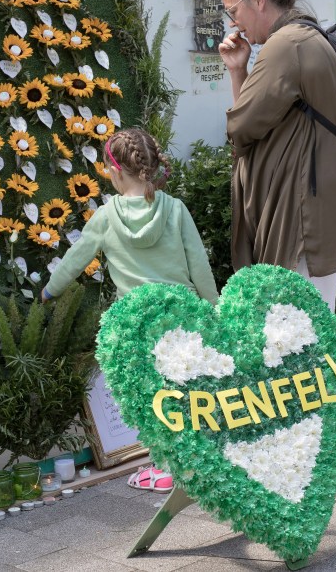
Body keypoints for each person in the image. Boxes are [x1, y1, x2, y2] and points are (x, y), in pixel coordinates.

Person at [41, 128, 218, 493]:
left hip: (138, 324)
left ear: (115, 170)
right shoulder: (175, 209)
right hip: (182, 317)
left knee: (153, 397)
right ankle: (197, 461)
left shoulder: (106, 216)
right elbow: (199, 265)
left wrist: (50, 290)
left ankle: (165, 468)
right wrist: (213, 309)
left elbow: (76, 259)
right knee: (187, 389)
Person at [217, 0, 336, 311]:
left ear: (258, 0)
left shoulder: (285, 45)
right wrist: (239, 69)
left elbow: (241, 128)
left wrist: (239, 74)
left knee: (295, 335)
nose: (232, 22)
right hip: (319, 207)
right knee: (314, 327)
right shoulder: (309, 35)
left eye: (233, 9)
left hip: (301, 216)